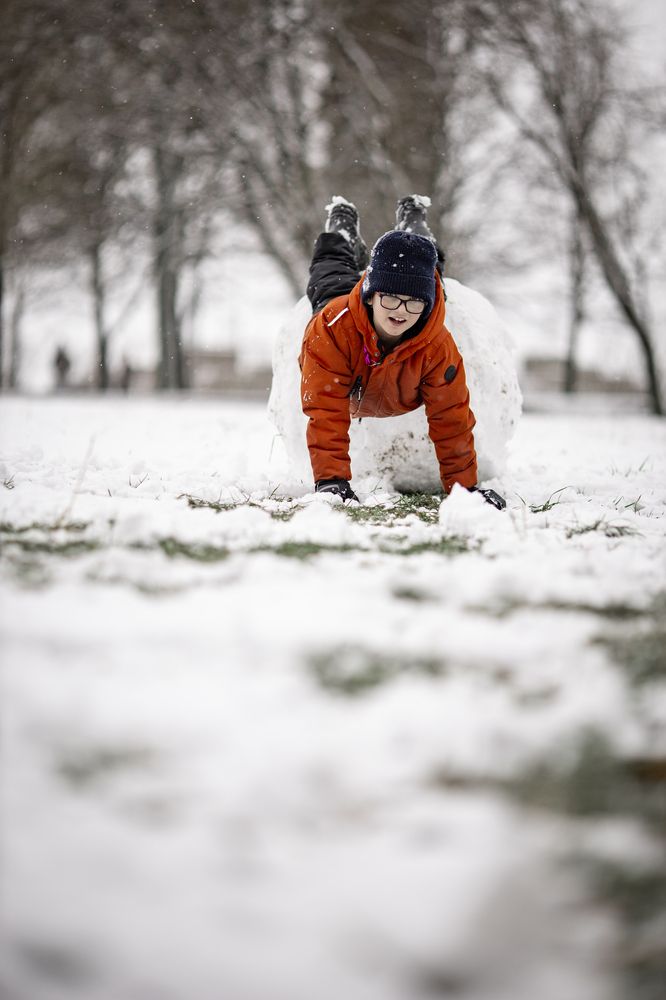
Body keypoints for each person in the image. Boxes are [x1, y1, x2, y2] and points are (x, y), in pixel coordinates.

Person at [299, 196, 506, 509]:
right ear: (371, 296)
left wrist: (465, 492)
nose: (401, 311)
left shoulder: (436, 345)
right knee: (330, 272)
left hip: (403, 375)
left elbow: (452, 419)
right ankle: (341, 233)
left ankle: (416, 230)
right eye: (391, 299)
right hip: (348, 315)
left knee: (421, 266)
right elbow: (325, 409)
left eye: (414, 302)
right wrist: (332, 481)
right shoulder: (331, 329)